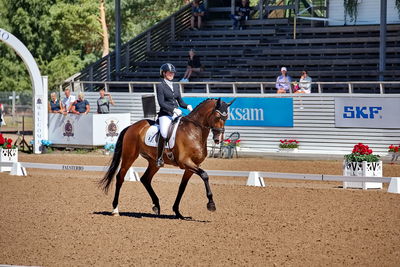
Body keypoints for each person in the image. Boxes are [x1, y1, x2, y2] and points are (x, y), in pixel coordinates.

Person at [156, 63, 193, 167]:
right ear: (164, 73)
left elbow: (180, 102)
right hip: (165, 114)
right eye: (169, 72)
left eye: (172, 73)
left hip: (176, 114)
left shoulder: (176, 85)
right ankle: (159, 158)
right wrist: (173, 110)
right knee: (164, 133)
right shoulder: (160, 86)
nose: (171, 74)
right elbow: (161, 103)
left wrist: (187, 106)